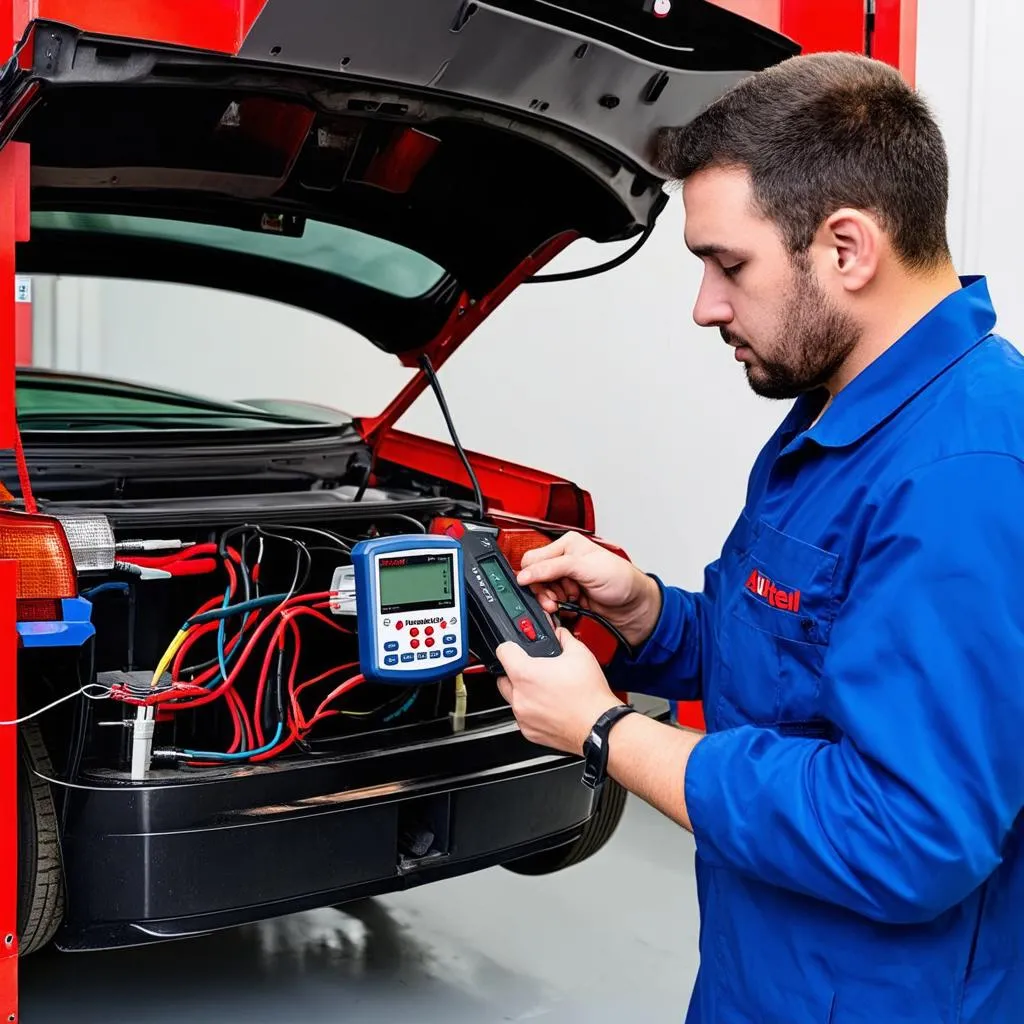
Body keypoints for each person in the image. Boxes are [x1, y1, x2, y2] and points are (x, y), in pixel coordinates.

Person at [494, 52, 1024, 1023]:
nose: (704, 305)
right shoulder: (840, 414)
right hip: (763, 970)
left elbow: (907, 831)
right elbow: (798, 665)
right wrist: (652, 615)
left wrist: (604, 731)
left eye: (727, 264)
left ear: (847, 248)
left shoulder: (965, 474)